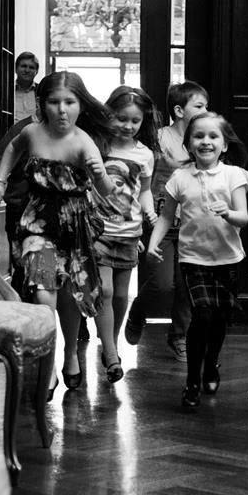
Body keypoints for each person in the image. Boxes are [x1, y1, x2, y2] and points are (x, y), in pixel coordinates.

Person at [126, 80, 248, 359]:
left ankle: (179, 336)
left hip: (194, 226)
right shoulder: (160, 138)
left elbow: (230, 170)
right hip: (164, 219)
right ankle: (139, 310)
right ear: (180, 110)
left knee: (184, 288)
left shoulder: (207, 138)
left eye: (206, 105)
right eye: (199, 105)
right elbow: (143, 174)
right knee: (162, 284)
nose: (206, 109)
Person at [0, 71, 116, 389]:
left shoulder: (83, 142)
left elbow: (108, 190)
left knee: (72, 297)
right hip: (37, 225)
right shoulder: (32, 133)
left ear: (80, 106)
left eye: (69, 102)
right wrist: (0, 181)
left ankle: (70, 354)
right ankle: (48, 364)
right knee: (45, 291)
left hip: (74, 226)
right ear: (42, 104)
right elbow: (12, 150)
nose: (62, 110)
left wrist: (100, 175)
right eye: (54, 102)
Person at [145, 111, 248, 410]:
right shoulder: (180, 177)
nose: (206, 141)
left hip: (227, 258)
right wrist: (153, 243)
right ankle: (192, 379)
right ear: (189, 144)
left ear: (224, 145)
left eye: (213, 136)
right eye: (199, 136)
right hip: (193, 258)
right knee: (202, 314)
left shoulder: (233, 176)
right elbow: (166, 217)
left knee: (219, 318)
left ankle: (212, 365)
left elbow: (242, 218)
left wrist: (228, 213)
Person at [92, 86, 158, 383]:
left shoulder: (145, 154)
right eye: (121, 118)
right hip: (99, 230)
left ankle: (111, 340)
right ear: (108, 114)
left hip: (130, 232)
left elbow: (143, 192)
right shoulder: (97, 146)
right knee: (104, 291)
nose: (128, 126)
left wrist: (150, 213)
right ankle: (109, 354)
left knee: (120, 295)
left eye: (135, 121)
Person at [10, 51, 40, 122]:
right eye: (23, 66)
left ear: (36, 71)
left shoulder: (42, 91)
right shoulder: (6, 90)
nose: (27, 70)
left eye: (31, 67)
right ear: (16, 69)